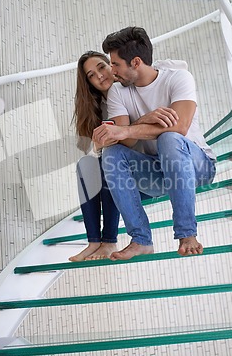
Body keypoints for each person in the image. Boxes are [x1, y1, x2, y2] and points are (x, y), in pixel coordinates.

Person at [92, 27, 216, 260]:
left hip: (197, 166)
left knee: (169, 138)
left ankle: (186, 233)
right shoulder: (118, 92)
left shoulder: (178, 78)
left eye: (116, 64)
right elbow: (123, 140)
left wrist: (128, 128)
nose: (111, 70)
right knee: (112, 153)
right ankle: (140, 239)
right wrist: (143, 121)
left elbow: (180, 128)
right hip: (157, 172)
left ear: (136, 62)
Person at [69, 51, 120, 261]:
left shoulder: (128, 88)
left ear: (111, 65)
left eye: (101, 67)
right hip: (115, 160)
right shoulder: (97, 105)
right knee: (86, 164)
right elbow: (85, 146)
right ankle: (94, 241)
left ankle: (109, 241)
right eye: (91, 75)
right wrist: (98, 144)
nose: (99, 75)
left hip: (139, 161)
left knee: (109, 162)